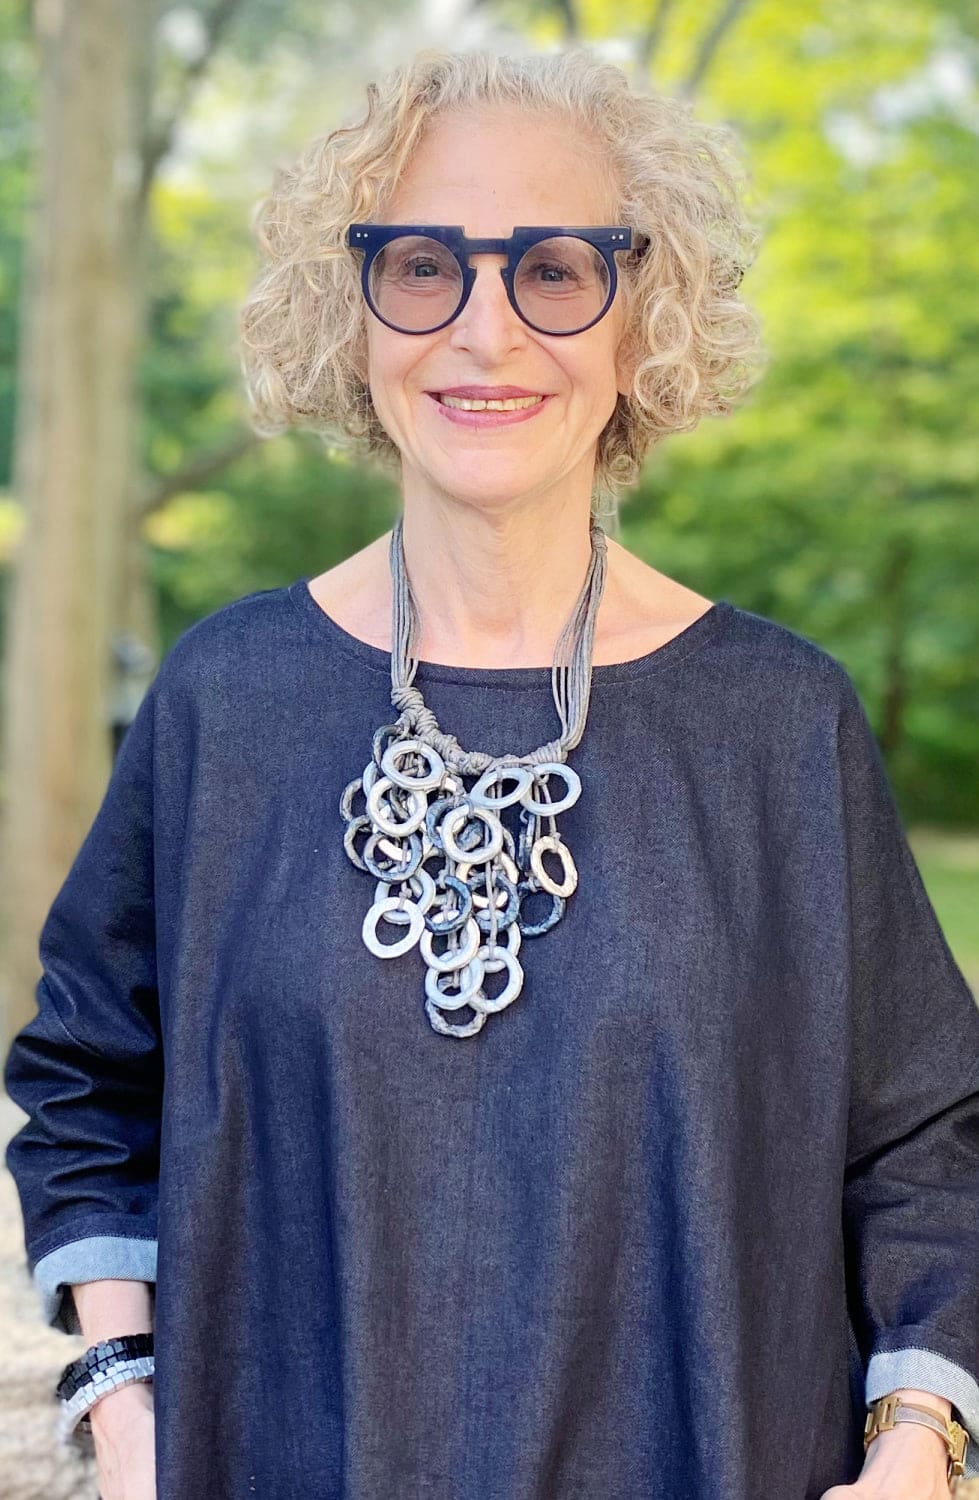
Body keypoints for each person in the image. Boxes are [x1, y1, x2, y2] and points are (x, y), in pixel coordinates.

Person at [4, 44, 978, 1500]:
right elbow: (85, 1079)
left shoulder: (781, 724)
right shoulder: (226, 700)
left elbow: (929, 1140)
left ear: (642, 311)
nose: (486, 327)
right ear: (354, 305)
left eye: (557, 267)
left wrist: (920, 1445)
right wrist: (127, 1409)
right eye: (422, 265)